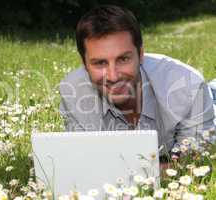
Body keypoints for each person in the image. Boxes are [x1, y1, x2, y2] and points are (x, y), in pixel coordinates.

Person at [59, 5, 215, 162]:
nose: (113, 76)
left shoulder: (189, 86)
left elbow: (196, 161)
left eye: (123, 59)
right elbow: (83, 161)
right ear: (84, 63)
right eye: (100, 63)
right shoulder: (72, 92)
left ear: (141, 54)